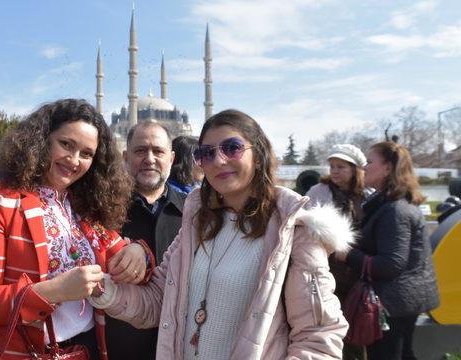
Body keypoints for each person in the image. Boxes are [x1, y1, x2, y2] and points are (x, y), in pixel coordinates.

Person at [91, 109, 351, 359]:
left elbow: (318, 336)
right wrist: (99, 287)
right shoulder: (196, 226)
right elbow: (158, 301)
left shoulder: (293, 231)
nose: (219, 160)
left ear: (258, 154)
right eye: (207, 153)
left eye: (232, 148)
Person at [0, 99, 152, 360]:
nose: (74, 160)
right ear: (43, 139)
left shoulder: (84, 212)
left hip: (84, 350)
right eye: (66, 144)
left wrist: (140, 253)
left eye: (86, 154)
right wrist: (55, 291)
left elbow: (138, 264)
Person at [337, 141, 439, 360]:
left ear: (388, 168)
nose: (364, 166)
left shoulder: (395, 210)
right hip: (399, 300)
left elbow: (390, 264)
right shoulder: (385, 204)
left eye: (370, 161)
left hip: (396, 303)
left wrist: (348, 255)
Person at [105, 122, 187, 360]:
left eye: (158, 151)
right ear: (125, 157)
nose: (149, 159)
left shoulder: (194, 212)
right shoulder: (103, 210)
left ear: (171, 158)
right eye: (140, 151)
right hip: (119, 347)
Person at [306, 143, 371, 360]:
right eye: (332, 166)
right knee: (328, 326)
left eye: (341, 167)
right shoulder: (318, 192)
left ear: (355, 169)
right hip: (328, 270)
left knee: (356, 329)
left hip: (358, 272)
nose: (334, 171)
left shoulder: (368, 195)